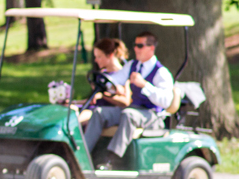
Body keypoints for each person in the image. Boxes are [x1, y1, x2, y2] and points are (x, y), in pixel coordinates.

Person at [81, 30, 175, 167]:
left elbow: (165, 101)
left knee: (128, 114)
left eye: (140, 46)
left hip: (152, 114)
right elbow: (116, 79)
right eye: (135, 45)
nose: (136, 48)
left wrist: (144, 85)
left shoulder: (161, 72)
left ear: (151, 48)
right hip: (134, 110)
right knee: (99, 113)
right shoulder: (132, 66)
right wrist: (105, 84)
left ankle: (111, 160)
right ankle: (83, 156)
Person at [75, 36, 130, 132]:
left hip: (107, 112)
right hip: (93, 108)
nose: (96, 60)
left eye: (99, 57)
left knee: (77, 120)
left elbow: (125, 101)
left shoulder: (123, 75)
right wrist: (71, 102)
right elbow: (92, 100)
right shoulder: (101, 75)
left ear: (110, 55)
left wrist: (103, 95)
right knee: (67, 112)